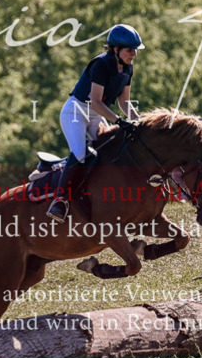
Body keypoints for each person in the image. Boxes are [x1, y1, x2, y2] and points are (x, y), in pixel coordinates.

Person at [47, 24, 143, 223]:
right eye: (129, 50)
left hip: (95, 113)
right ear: (115, 49)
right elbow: (96, 102)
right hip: (76, 111)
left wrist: (139, 122)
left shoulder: (128, 68)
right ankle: (60, 200)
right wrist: (118, 121)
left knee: (106, 148)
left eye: (134, 50)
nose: (133, 54)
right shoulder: (101, 64)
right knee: (81, 153)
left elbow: (124, 102)